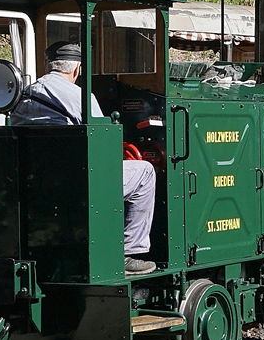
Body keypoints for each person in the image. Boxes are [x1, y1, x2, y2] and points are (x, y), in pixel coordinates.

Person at [13, 41, 157, 275]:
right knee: (144, 172)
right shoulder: (80, 96)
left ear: (49, 65)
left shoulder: (23, 95)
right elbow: (103, 147)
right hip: (75, 182)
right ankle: (128, 252)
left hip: (31, 181)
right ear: (77, 69)